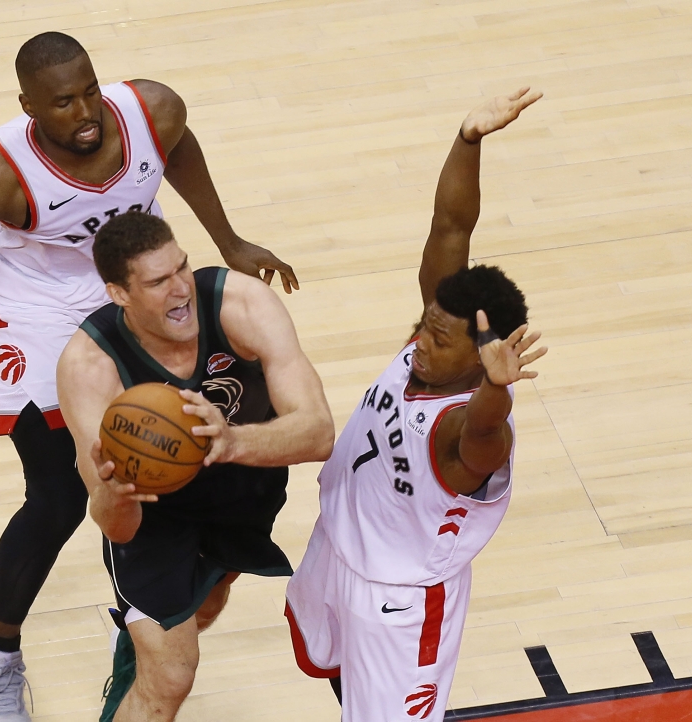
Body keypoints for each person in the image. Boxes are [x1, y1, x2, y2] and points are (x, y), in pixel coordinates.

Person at [0, 31, 298, 722]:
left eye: (90, 90)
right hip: (35, 299)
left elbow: (176, 150)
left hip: (124, 272)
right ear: (28, 106)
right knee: (61, 492)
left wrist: (229, 238)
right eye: (63, 103)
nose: (86, 112)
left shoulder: (154, 111)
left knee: (141, 415)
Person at [283, 88, 546, 722]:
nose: (420, 344)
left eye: (439, 338)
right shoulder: (432, 338)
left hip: (401, 602)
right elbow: (451, 228)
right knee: (338, 673)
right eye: (424, 327)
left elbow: (484, 429)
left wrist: (497, 387)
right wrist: (468, 139)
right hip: (338, 544)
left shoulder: (471, 428)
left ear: (482, 351)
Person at [56, 211, 335, 722]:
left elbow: (318, 432)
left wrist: (228, 442)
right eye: (158, 282)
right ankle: (142, 658)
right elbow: (116, 525)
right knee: (170, 680)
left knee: (207, 601)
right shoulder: (89, 367)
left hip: (244, 485)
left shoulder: (241, 304)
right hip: (155, 517)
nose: (180, 289)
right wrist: (116, 493)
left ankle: (137, 641)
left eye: (181, 268)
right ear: (119, 294)